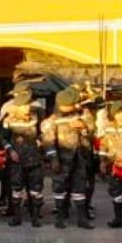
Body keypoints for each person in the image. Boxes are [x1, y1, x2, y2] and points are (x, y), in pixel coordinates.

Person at [41, 88, 95, 230]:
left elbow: (91, 132)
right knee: (60, 187)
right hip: (61, 159)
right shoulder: (52, 120)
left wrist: (83, 128)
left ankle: (82, 218)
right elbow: (48, 142)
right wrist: (53, 159)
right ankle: (60, 217)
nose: (72, 107)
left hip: (79, 158)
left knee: (80, 187)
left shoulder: (82, 114)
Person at [0, 86, 44, 227]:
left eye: (28, 105)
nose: (27, 108)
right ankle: (16, 216)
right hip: (16, 159)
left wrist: (41, 142)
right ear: (17, 106)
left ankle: (35, 216)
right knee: (16, 189)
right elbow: (3, 137)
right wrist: (10, 150)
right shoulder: (8, 119)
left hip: (34, 158)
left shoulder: (38, 114)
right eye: (24, 105)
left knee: (36, 189)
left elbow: (44, 132)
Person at [97, 101, 122, 230]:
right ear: (114, 114)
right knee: (116, 193)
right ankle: (117, 219)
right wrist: (102, 161)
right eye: (119, 113)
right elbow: (103, 146)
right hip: (114, 166)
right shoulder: (108, 128)